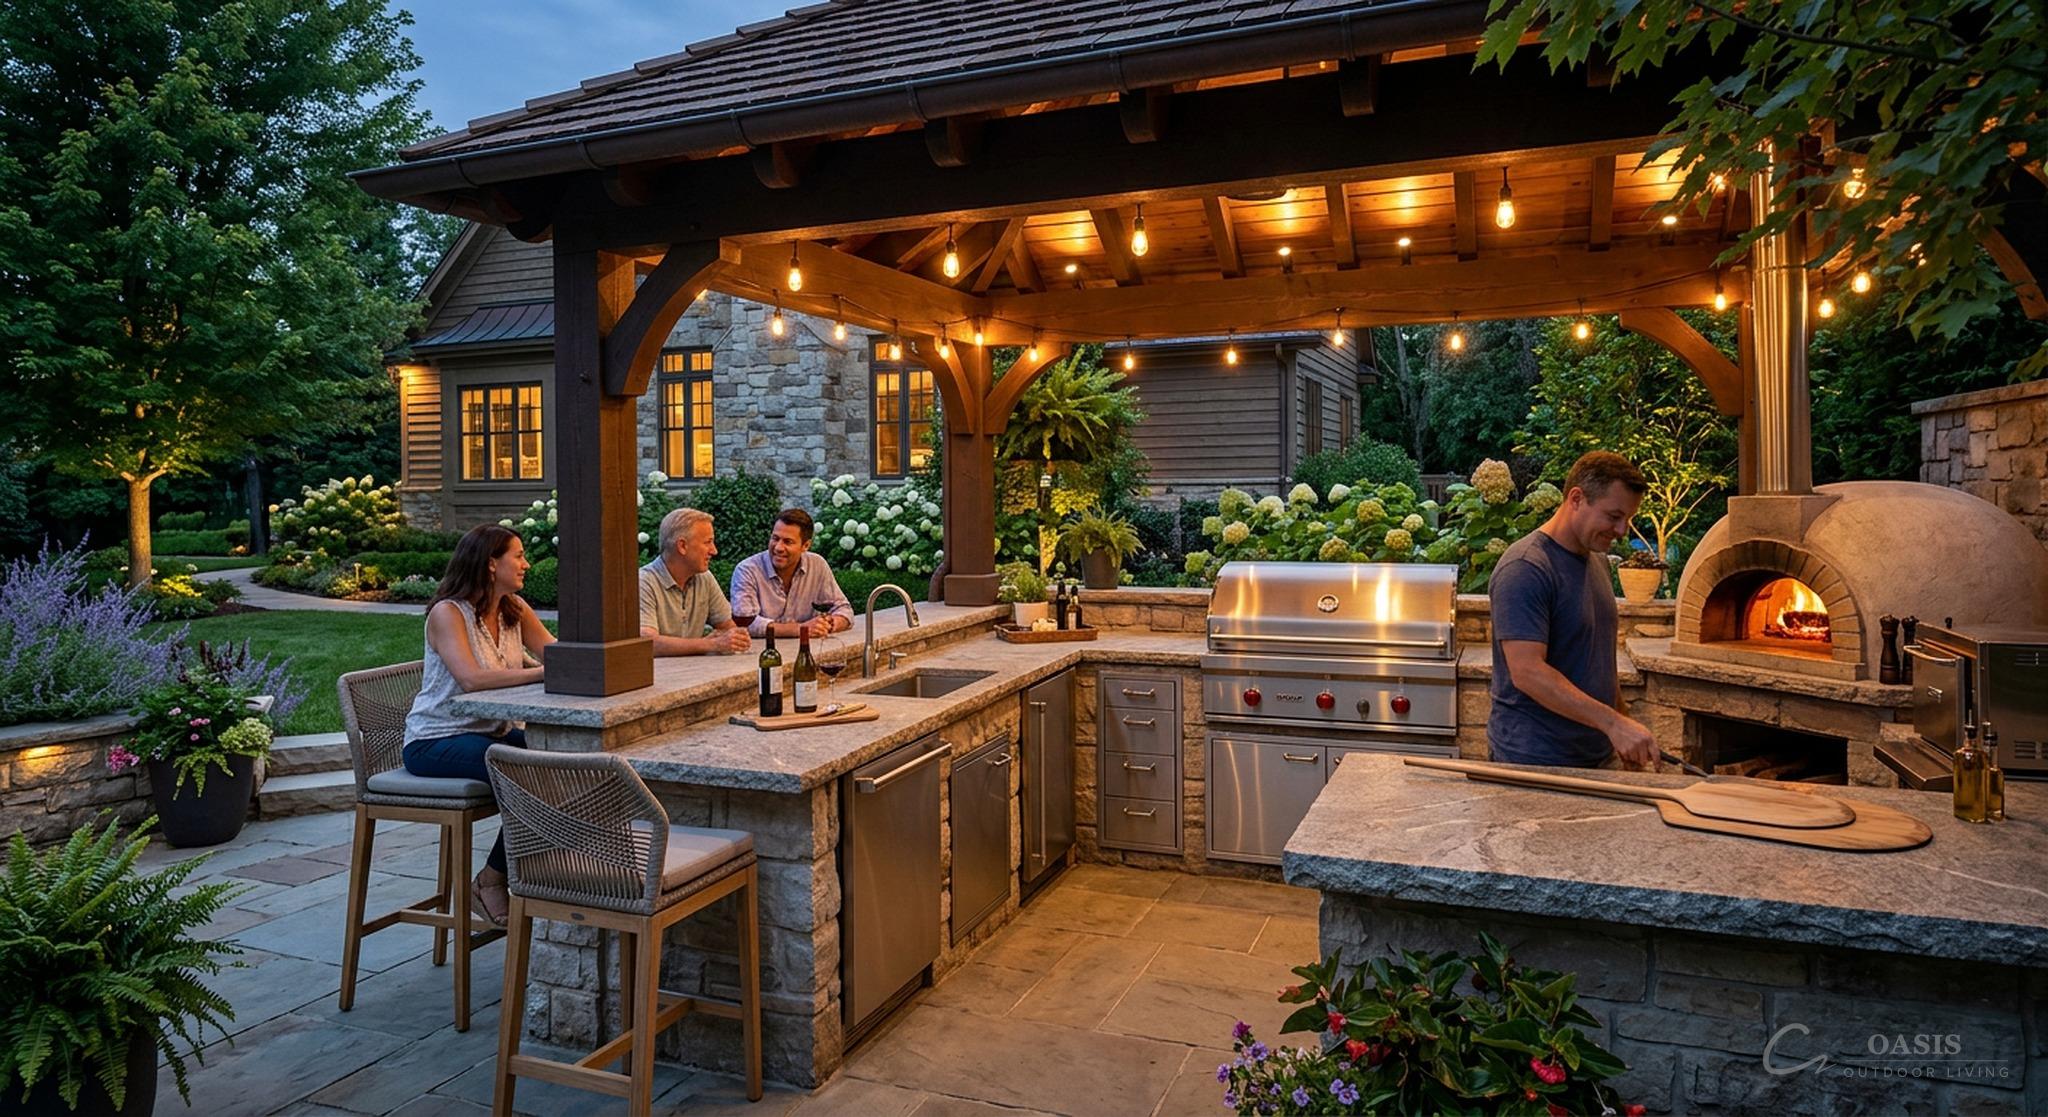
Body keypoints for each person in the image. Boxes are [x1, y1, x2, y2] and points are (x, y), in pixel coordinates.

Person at [401, 524, 555, 927]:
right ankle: (491, 880)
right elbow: (470, 679)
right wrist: (540, 673)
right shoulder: (448, 613)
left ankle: (550, 877)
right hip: (436, 740)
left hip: (491, 732)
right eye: (518, 556)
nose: (526, 564)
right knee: (529, 775)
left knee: (566, 763)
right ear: (490, 564)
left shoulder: (513, 609)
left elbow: (557, 654)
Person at [1487, 451, 1659, 770]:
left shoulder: (1597, 562)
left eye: (1628, 519)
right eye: (1614, 516)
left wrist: (1622, 724)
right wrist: (1613, 724)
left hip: (1595, 756)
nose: (1622, 530)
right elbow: (1527, 672)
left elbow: (1598, 660)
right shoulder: (1525, 568)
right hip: (1535, 762)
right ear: (1576, 499)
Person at [729, 508, 854, 641]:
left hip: (808, 649)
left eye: (787, 542)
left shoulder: (817, 565)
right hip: (761, 652)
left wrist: (828, 624)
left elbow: (844, 609)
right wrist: (801, 629)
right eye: (775, 538)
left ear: (805, 546)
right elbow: (745, 623)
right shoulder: (747, 570)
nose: (778, 547)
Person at [639, 507, 750, 656]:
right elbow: (647, 643)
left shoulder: (704, 578)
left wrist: (735, 638)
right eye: (708, 542)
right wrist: (711, 644)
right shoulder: (644, 582)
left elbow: (728, 629)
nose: (714, 551)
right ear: (682, 546)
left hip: (696, 669)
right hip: (657, 671)